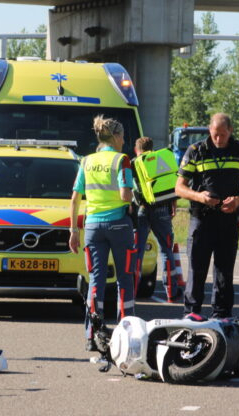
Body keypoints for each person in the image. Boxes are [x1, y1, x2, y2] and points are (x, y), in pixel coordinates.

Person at [175, 113, 239, 319]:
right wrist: (199, 196)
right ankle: (191, 315)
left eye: (222, 135)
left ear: (230, 131)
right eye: (214, 135)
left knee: (224, 273)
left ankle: (222, 316)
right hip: (201, 219)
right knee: (196, 270)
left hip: (228, 220)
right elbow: (179, 188)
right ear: (209, 131)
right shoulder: (196, 151)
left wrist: (238, 201)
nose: (218, 139)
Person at [69, 115, 136, 351]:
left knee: (95, 281)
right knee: (124, 279)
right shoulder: (122, 160)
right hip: (119, 225)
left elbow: (75, 198)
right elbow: (125, 196)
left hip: (92, 227)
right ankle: (127, 334)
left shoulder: (86, 161)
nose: (124, 141)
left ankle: (92, 334)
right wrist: (135, 196)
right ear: (116, 137)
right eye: (123, 137)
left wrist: (73, 231)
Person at [131, 137, 184, 302]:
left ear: (136, 149)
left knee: (137, 252)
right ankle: (171, 292)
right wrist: (173, 204)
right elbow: (171, 182)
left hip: (142, 210)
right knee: (166, 250)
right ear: (152, 148)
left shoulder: (134, 163)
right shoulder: (162, 159)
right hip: (162, 210)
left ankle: (131, 292)